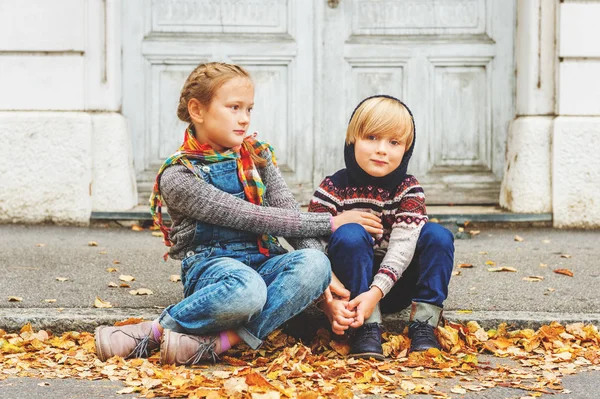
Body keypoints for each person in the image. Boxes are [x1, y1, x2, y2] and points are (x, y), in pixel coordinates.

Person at [94, 62, 383, 365]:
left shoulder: (257, 157)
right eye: (234, 107)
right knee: (248, 289)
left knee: (314, 262)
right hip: (213, 269)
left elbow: (288, 217)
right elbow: (249, 216)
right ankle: (153, 331)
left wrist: (326, 289)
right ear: (197, 110)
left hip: (263, 261)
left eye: (249, 109)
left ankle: (218, 341)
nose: (244, 119)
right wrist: (332, 221)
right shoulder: (179, 175)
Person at [308, 95, 454, 359]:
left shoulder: (408, 189)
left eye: (394, 142)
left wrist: (375, 294)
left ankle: (424, 323)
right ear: (352, 141)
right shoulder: (332, 188)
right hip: (349, 290)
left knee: (438, 235)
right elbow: (313, 250)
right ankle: (366, 327)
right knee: (350, 233)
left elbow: (403, 248)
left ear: (406, 149)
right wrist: (327, 302)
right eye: (372, 138)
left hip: (394, 284)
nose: (382, 149)